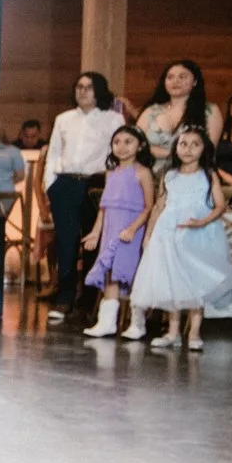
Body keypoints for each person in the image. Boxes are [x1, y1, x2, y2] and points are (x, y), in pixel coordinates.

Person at [133, 127, 232, 351]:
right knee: (173, 282)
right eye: (183, 144)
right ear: (176, 147)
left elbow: (220, 206)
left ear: (204, 149)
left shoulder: (208, 175)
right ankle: (172, 332)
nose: (188, 149)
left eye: (194, 144)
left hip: (196, 235)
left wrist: (202, 221)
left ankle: (194, 332)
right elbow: (159, 205)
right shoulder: (170, 175)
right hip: (169, 233)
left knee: (194, 283)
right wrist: (149, 234)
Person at [41, 72, 125, 321]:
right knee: (66, 241)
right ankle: (64, 297)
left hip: (95, 183)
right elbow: (54, 152)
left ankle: (87, 300)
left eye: (88, 87)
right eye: (79, 87)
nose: (83, 91)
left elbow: (117, 154)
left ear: (99, 90)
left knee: (93, 242)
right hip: (65, 183)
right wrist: (50, 186)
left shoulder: (113, 118)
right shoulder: (63, 118)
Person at [78, 125, 154, 340]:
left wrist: (132, 228)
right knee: (111, 273)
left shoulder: (142, 172)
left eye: (128, 141)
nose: (122, 147)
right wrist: (95, 233)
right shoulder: (111, 174)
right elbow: (104, 208)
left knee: (130, 273)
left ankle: (137, 323)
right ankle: (107, 322)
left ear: (140, 146)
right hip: (111, 230)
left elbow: (149, 206)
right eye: (117, 142)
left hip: (131, 230)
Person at [134, 60, 223, 162]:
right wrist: (171, 153)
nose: (175, 81)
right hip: (149, 174)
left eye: (182, 77)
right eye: (170, 77)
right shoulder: (151, 111)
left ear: (195, 82)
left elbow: (208, 151)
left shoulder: (210, 110)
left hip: (191, 173)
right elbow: (135, 143)